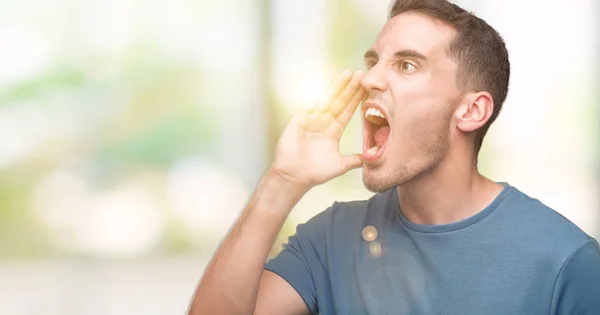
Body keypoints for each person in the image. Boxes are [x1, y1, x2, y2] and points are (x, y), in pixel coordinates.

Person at [188, 0, 600, 314]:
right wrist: (281, 180)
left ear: (471, 111)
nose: (369, 79)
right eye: (373, 61)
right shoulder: (330, 238)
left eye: (405, 65)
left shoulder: (565, 260)